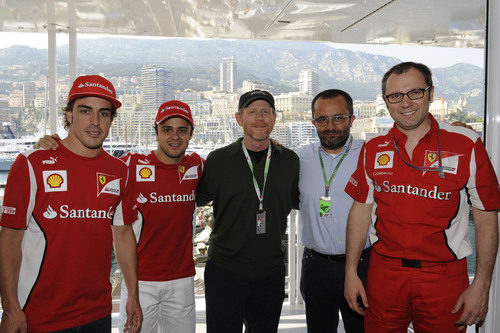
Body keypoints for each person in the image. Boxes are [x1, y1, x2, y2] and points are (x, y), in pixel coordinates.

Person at [344, 62, 500, 332]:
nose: (405, 103)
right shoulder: (373, 147)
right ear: (386, 101)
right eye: (395, 96)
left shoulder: (466, 144)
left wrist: (482, 284)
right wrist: (350, 272)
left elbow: (486, 216)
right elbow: (360, 211)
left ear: (430, 93)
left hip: (444, 275)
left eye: (415, 92)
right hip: (385, 273)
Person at [33, 100, 203, 332]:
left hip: (182, 280)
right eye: (167, 129)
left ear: (191, 134)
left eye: (182, 130)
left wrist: (270, 146)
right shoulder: (131, 166)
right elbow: (87, 163)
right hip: (140, 282)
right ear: (156, 132)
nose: (174, 136)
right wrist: (50, 146)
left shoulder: (198, 166)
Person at [0, 75, 142, 332]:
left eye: (104, 113)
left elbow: (122, 234)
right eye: (85, 111)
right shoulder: (32, 163)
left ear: (111, 119)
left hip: (97, 313)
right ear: (69, 115)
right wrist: (10, 308)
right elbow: (10, 239)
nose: (95, 122)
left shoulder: (120, 171)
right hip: (39, 314)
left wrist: (133, 295)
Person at [196, 89, 300, 332]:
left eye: (266, 112)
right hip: (225, 270)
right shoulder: (218, 160)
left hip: (271, 271)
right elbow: (192, 196)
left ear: (275, 118)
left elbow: (303, 199)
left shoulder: (289, 161)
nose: (259, 118)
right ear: (239, 118)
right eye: (252, 112)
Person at [297, 89, 370, 333]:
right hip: (316, 267)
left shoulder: (371, 154)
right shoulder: (299, 158)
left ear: (352, 119)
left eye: (339, 118)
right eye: (322, 119)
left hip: (363, 266)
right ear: (313, 122)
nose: (331, 126)